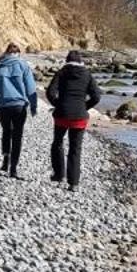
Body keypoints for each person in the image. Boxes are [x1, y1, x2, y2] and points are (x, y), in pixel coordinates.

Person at [45, 48, 102, 189]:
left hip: (62, 114)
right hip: (79, 116)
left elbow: (50, 92)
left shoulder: (61, 73)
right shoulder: (87, 75)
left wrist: (58, 105)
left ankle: (59, 175)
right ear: (81, 61)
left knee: (57, 144)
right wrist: (85, 107)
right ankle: (74, 183)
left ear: (67, 61)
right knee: (75, 148)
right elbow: (96, 96)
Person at [0, 42, 39, 177]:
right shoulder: (23, 65)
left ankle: (5, 159)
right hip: (19, 106)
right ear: (18, 53)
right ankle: (13, 168)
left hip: (2, 106)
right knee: (17, 136)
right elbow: (31, 88)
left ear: (6, 52)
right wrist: (33, 106)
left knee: (6, 131)